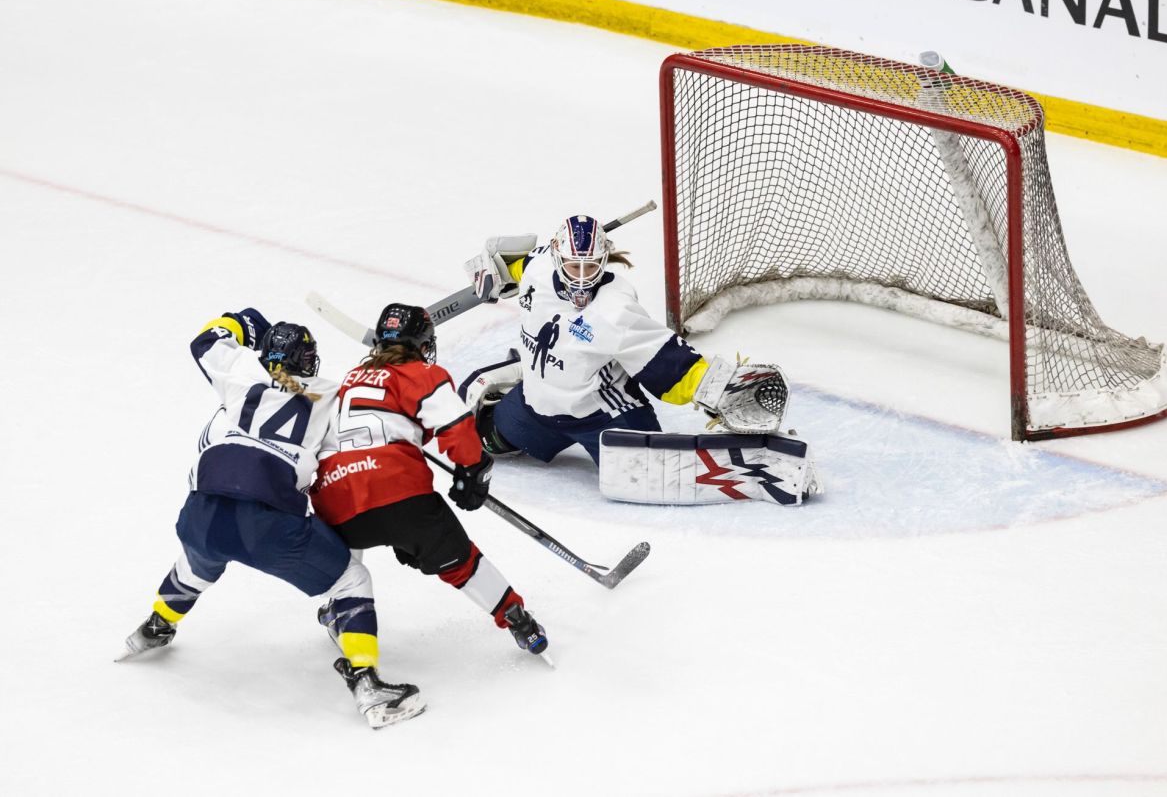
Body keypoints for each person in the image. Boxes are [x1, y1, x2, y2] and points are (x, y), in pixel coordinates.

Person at [118, 308, 425, 729]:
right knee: (351, 580)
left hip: (199, 512)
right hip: (269, 523)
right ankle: (367, 683)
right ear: (309, 362)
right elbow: (365, 431)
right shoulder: (329, 396)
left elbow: (205, 340)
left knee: (196, 561)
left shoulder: (241, 369)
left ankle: (157, 624)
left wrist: (244, 320)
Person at [310, 302, 548, 658]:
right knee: (461, 561)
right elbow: (454, 424)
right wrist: (472, 470)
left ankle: (339, 611)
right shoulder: (421, 372)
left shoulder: (350, 379)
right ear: (422, 344)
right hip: (399, 495)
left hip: (334, 496)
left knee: (346, 552)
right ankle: (518, 620)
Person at [461, 215, 787, 465]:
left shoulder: (614, 309)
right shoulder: (538, 268)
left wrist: (715, 387)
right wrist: (497, 270)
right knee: (486, 439)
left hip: (603, 416)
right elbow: (518, 266)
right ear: (557, 260)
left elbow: (665, 361)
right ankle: (522, 372)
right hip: (538, 409)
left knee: (653, 468)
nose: (581, 277)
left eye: (591, 268)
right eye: (573, 266)